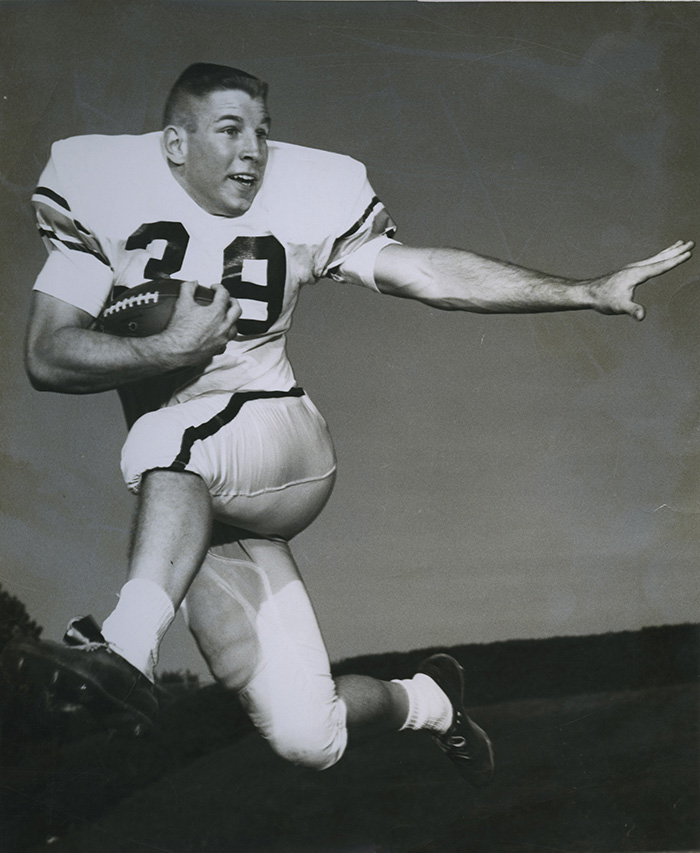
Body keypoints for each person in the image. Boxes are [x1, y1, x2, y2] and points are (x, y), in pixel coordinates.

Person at [7, 63, 692, 782]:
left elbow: (429, 274)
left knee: (164, 435)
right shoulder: (103, 187)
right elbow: (47, 354)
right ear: (175, 144)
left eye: (263, 133)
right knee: (309, 734)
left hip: (281, 447)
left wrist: (582, 290)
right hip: (195, 504)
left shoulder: (305, 192)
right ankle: (431, 700)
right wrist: (168, 347)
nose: (253, 151)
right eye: (231, 130)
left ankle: (124, 649)